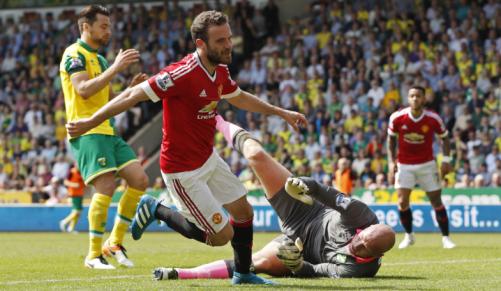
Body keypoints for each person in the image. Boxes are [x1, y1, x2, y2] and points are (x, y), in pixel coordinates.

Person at [66, 10, 307, 284]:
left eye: (229, 37)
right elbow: (134, 94)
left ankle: (242, 274)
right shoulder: (181, 73)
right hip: (182, 170)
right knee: (221, 236)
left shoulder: (220, 70)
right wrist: (90, 122)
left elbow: (239, 97)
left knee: (244, 212)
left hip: (208, 158)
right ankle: (157, 209)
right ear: (201, 44)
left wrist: (281, 112)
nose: (228, 45)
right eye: (220, 41)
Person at [149, 116, 395, 280]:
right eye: (361, 238)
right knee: (256, 155)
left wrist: (297, 264)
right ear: (365, 228)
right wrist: (303, 184)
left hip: (300, 249)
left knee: (256, 263)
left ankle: (182, 274)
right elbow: (325, 193)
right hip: (307, 210)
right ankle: (216, 118)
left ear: (377, 256)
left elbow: (316, 271)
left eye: (364, 248)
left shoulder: (361, 269)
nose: (357, 244)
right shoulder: (363, 215)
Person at [60, 5, 149, 269]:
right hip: (87, 131)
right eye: (104, 26)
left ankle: (115, 242)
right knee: (106, 187)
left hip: (108, 131)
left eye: (109, 26)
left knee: (140, 179)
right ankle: (93, 255)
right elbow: (84, 90)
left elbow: (109, 100)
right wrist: (117, 68)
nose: (109, 31)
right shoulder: (73, 54)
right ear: (86, 27)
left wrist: (129, 91)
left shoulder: (100, 60)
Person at [387, 85, 456, 249]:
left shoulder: (433, 118)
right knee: (402, 202)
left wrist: (446, 160)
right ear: (408, 98)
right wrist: (391, 162)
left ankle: (446, 238)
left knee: (436, 200)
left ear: (424, 99)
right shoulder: (397, 117)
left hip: (427, 164)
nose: (415, 99)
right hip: (404, 165)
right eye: (412, 96)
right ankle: (409, 236)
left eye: (418, 96)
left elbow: (445, 138)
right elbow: (390, 140)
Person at [59, 164, 86, 233]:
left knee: (78, 212)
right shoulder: (71, 172)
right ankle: (64, 222)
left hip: (80, 194)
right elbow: (65, 182)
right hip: (74, 194)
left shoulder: (82, 172)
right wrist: (74, 185)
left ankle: (71, 228)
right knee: (77, 211)